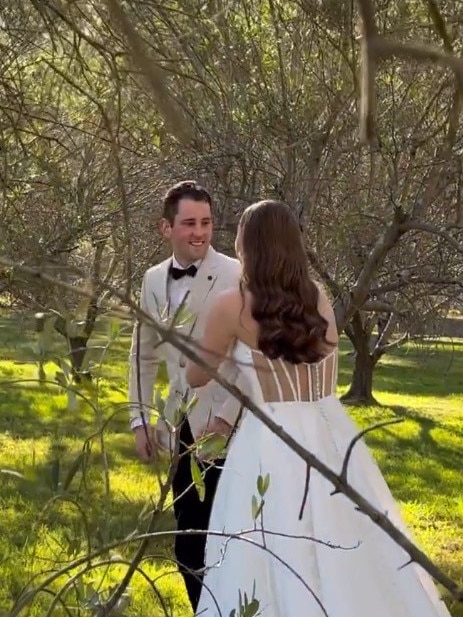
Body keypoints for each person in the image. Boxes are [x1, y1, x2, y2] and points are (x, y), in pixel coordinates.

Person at [186, 200, 451, 617]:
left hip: (270, 439)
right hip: (331, 432)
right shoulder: (318, 298)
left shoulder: (231, 305)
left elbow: (195, 376)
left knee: (270, 543)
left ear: (248, 244)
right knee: (348, 540)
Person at [127, 180, 242, 611]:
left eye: (207, 223)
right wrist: (140, 419)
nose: (200, 232)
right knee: (187, 541)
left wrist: (226, 418)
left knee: (225, 535)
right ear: (166, 227)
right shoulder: (153, 279)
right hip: (177, 427)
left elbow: (249, 356)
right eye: (190, 223)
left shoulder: (235, 272)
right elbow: (142, 356)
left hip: (225, 428)